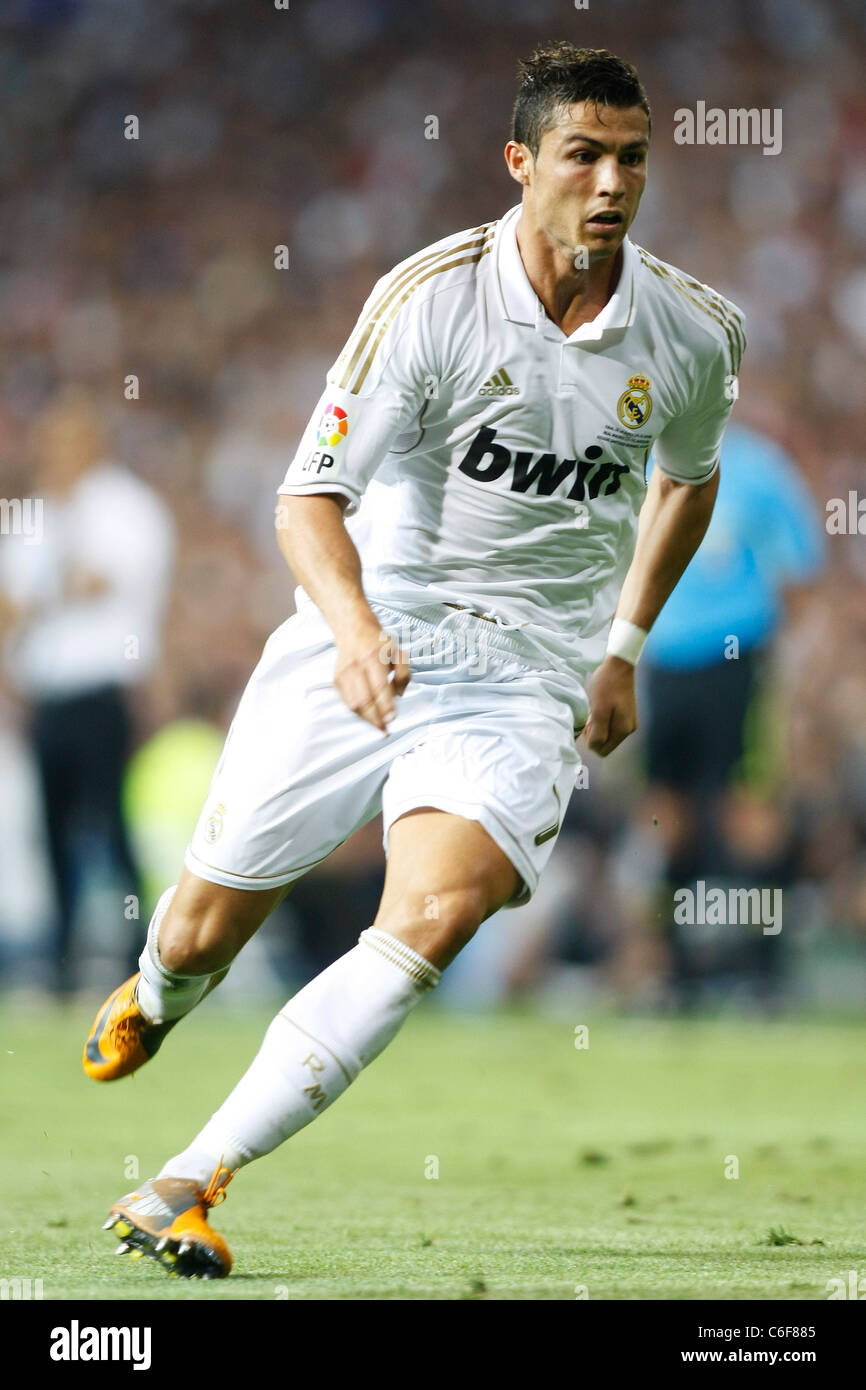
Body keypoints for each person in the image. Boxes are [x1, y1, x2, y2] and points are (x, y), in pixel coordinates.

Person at [83, 43, 745, 1279]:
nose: (611, 184)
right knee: (200, 926)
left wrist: (621, 647)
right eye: (583, 155)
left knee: (435, 913)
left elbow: (686, 483)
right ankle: (160, 992)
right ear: (520, 163)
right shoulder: (430, 297)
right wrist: (353, 634)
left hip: (525, 678)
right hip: (374, 630)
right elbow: (304, 498)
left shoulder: (695, 335)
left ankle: (185, 1178)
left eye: (632, 158)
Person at [640, 423, 824, 1004]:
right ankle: (675, 974)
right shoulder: (642, 462)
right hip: (660, 662)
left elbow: (799, 573)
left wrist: (780, 665)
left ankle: (762, 971)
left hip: (737, 659)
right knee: (666, 818)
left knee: (748, 812)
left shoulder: (760, 469)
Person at [0, 389, 175, 995]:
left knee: (108, 822)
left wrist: (41, 595)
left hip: (106, 689)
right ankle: (62, 957)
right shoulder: (37, 510)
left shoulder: (124, 505)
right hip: (48, 693)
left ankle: (137, 952)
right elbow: (10, 602)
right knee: (51, 828)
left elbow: (97, 581)